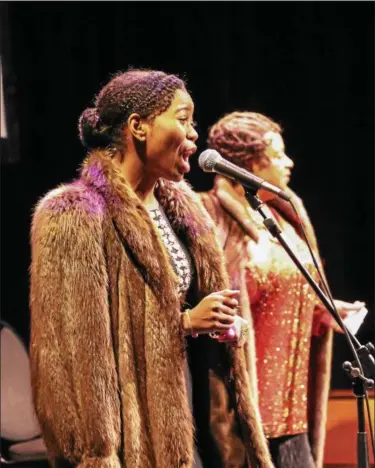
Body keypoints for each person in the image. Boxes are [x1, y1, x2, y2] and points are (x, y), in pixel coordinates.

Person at [29, 72, 275, 468]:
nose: (194, 135)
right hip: (132, 435)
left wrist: (222, 325)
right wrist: (183, 322)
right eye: (182, 119)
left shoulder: (185, 209)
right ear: (138, 127)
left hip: (196, 417)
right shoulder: (74, 214)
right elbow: (76, 353)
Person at [199, 111, 365, 468]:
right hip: (245, 415)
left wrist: (325, 309)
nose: (288, 163)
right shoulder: (211, 216)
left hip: (293, 411)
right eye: (277, 155)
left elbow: (287, 289)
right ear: (247, 163)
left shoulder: (284, 217)